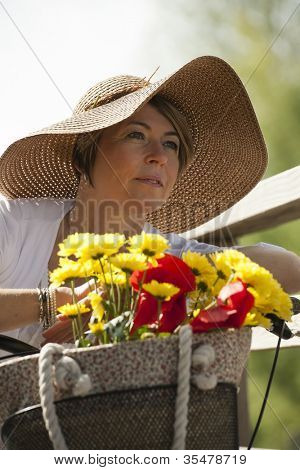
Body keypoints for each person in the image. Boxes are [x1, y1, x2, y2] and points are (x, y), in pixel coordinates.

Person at [0, 56, 299, 352]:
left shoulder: (167, 255)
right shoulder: (14, 225)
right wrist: (60, 302)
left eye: (171, 144)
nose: (160, 155)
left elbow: (286, 268)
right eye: (136, 135)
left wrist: (150, 281)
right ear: (82, 156)